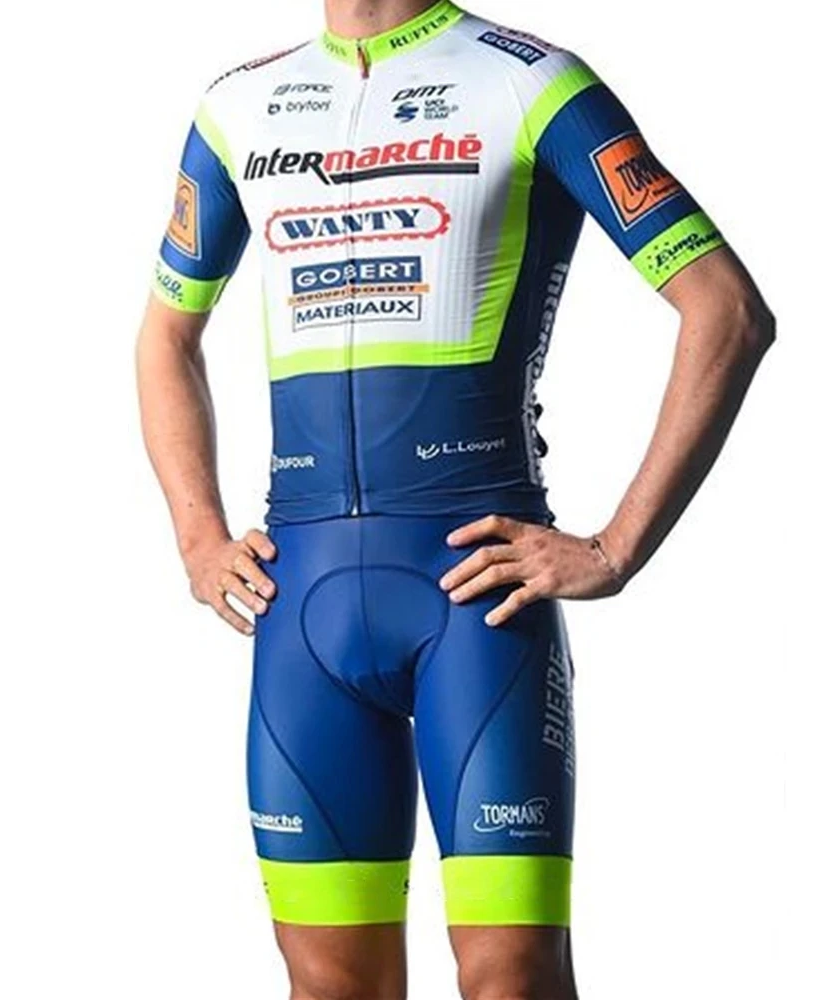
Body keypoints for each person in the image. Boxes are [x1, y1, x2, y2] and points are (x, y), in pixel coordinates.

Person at [136, 0, 774, 996]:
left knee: (510, 978)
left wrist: (615, 547)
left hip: (475, 600)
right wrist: (197, 538)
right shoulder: (238, 106)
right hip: (300, 609)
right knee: (330, 985)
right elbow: (165, 336)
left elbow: (725, 307)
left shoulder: (528, 80)